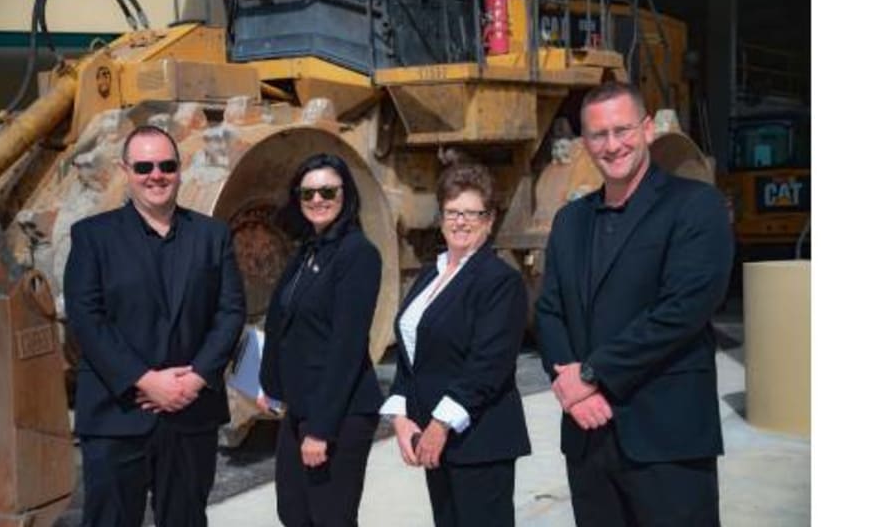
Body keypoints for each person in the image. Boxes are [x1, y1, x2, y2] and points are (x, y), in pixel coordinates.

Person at [534, 81, 734, 526]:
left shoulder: (695, 205)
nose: (612, 145)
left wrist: (592, 374)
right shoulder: (570, 221)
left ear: (646, 129)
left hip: (667, 439)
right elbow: (549, 311)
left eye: (622, 130)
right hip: (589, 436)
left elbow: (683, 310)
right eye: (599, 135)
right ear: (585, 143)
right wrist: (570, 388)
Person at [64, 125, 246, 526]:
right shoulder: (92, 237)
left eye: (166, 165)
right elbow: (87, 319)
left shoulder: (212, 235)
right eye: (144, 166)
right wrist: (144, 380)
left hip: (191, 412)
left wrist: (195, 379)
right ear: (125, 170)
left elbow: (231, 312)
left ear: (180, 169)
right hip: (117, 414)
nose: (156, 175)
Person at [380, 163, 531, 527]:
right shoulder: (431, 274)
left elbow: (488, 365)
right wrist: (400, 417)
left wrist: (440, 425)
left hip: (479, 442)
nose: (460, 221)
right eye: (452, 212)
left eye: (471, 213)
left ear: (489, 220)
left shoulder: (500, 281)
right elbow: (411, 353)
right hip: (436, 441)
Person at [257, 154, 384, 527]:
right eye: (307, 193)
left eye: (328, 191)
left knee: (330, 518)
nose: (317, 200)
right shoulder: (307, 251)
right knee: (293, 513)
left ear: (347, 195)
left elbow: (346, 348)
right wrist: (271, 386)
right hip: (300, 408)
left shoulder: (358, 254)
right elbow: (284, 325)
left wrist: (320, 431)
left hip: (339, 415)